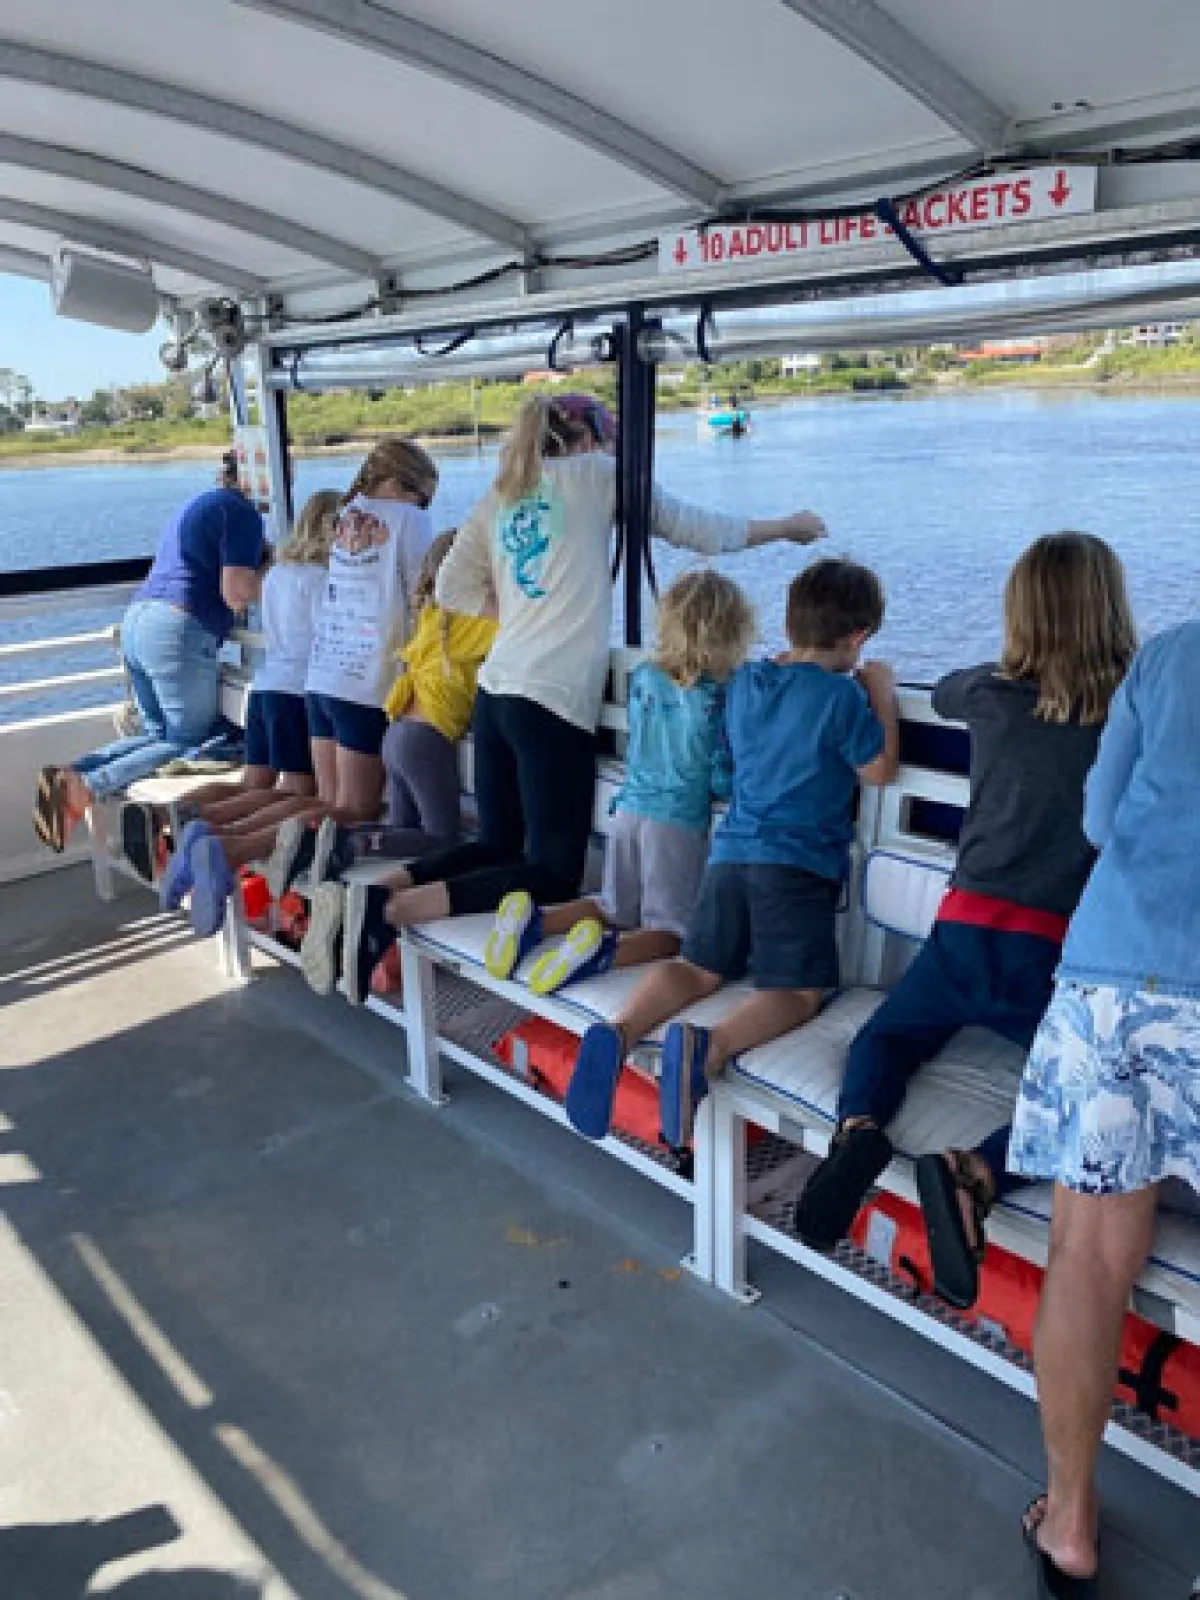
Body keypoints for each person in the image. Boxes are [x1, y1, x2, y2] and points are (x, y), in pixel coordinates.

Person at [295, 392, 827, 1005]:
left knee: (494, 845)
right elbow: (700, 530)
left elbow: (450, 586)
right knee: (551, 871)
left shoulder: (504, 491)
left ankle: (377, 893)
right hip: (551, 704)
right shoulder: (599, 475)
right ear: (591, 438)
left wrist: (519, 614)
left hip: (497, 693)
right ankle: (386, 911)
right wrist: (787, 528)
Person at [793, 534, 1138, 1302]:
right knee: (1090, 1098)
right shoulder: (1130, 709)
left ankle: (859, 1129)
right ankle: (975, 1172)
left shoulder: (989, 690)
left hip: (960, 934)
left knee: (886, 1040)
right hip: (1052, 957)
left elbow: (945, 691)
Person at [565, 558, 899, 1147]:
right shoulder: (841, 696)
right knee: (796, 993)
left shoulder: (746, 682)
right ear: (858, 638)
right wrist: (883, 696)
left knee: (696, 967)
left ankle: (622, 1029)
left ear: (790, 625)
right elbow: (879, 770)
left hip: (729, 856)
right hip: (794, 866)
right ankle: (709, 1047)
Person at [1006, 618, 1200, 1597]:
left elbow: (1098, 818)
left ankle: (1071, 1522)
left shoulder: (1170, 658)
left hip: (1124, 977)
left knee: (1086, 1255)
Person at [501, 569, 754, 997]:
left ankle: (534, 922)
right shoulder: (718, 695)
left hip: (629, 810)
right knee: (671, 931)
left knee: (612, 907)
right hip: (674, 822)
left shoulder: (646, 676)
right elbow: (719, 772)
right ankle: (599, 954)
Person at [297, 530, 498, 996]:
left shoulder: (431, 615)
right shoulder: (476, 621)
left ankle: (337, 844)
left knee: (405, 832)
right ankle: (352, 842)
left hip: (397, 731)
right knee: (443, 838)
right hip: (425, 740)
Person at [32, 482, 265, 851]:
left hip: (139, 621)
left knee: (157, 734)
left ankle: (73, 771)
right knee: (186, 739)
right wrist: (277, 581)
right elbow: (235, 591)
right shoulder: (244, 515)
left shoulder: (200, 508)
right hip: (177, 628)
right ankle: (87, 787)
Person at [149, 490, 341, 933]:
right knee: (298, 794)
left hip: (266, 687)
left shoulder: (277, 575)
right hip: (299, 693)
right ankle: (212, 834)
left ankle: (177, 815)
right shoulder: (321, 579)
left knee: (253, 782)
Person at [304, 438, 438, 825]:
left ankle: (217, 831)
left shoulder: (346, 514)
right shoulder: (409, 520)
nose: (424, 507)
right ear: (394, 483)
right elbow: (423, 593)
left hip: (323, 675)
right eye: (423, 498)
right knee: (355, 812)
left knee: (325, 805)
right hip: (365, 681)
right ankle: (232, 845)